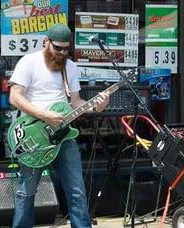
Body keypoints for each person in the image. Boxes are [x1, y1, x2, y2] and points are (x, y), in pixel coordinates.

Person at [8, 23, 110, 228]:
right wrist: (45, 115)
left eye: (66, 49)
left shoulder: (70, 66)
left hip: (63, 135)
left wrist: (97, 107)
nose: (62, 53)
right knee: (26, 192)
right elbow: (15, 98)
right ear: (46, 42)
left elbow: (76, 102)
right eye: (58, 48)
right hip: (33, 136)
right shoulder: (28, 62)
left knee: (76, 189)